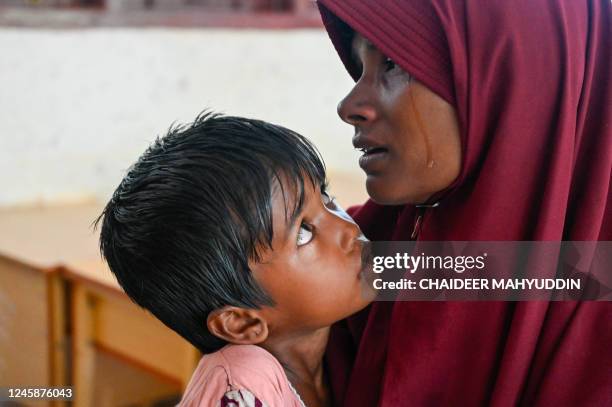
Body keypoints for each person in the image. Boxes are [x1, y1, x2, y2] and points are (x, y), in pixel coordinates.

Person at [316, 0, 611, 406]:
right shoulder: (341, 261)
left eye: (393, 64)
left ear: (519, 78)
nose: (349, 107)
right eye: (359, 67)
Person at [96, 112, 376, 407]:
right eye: (304, 233)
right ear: (242, 322)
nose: (347, 228)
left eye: (326, 195)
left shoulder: (338, 347)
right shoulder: (241, 386)